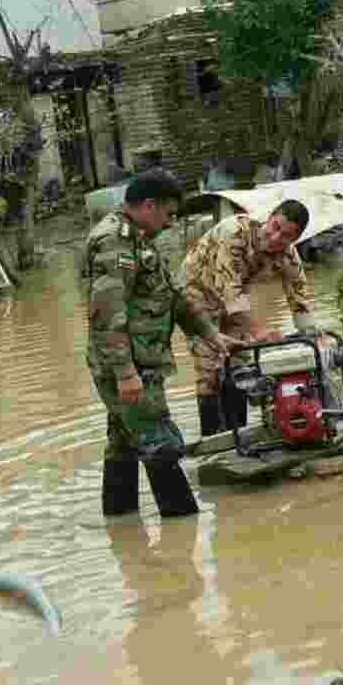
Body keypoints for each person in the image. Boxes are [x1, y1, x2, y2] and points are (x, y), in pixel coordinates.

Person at [84, 168, 239, 518]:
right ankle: (183, 533)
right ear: (149, 205)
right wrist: (125, 372)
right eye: (168, 214)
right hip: (129, 366)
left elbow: (172, 296)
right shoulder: (115, 240)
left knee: (123, 444)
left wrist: (210, 334)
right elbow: (107, 309)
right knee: (160, 445)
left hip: (138, 362)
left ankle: (122, 529)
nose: (170, 223)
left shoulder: (138, 238)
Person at [178, 199, 322, 436]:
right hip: (195, 296)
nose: (276, 238)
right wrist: (260, 330)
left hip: (230, 301)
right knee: (209, 368)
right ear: (269, 217)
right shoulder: (234, 233)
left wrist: (313, 336)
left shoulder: (288, 256)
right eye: (275, 227)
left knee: (241, 362)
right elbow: (230, 290)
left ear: (293, 241)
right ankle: (212, 440)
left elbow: (300, 298)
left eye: (286, 236)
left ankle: (238, 434)